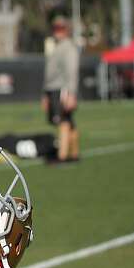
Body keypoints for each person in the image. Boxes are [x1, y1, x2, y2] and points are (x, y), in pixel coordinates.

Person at [42, 15, 80, 164]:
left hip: (62, 89)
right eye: (55, 28)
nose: (57, 31)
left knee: (63, 121)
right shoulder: (57, 46)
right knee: (69, 121)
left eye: (61, 28)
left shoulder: (68, 47)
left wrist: (71, 93)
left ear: (67, 30)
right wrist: (45, 94)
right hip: (53, 89)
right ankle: (74, 154)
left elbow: (72, 71)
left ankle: (62, 156)